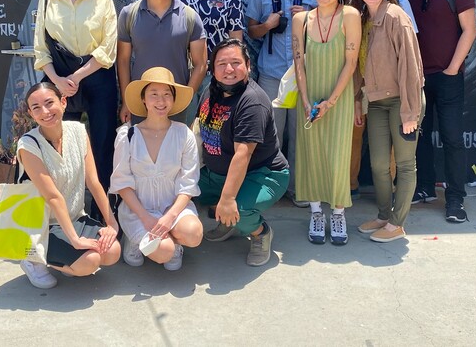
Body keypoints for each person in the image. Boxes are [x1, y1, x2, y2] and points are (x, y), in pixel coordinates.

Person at [33, 0, 119, 218]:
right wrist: (57, 80)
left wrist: (77, 76)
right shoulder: (48, 0)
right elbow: (40, 48)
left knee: (103, 145)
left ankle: (104, 215)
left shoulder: (104, 2)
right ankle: (64, 214)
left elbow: (108, 49)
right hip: (58, 80)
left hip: (96, 78)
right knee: (60, 147)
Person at [16, 82, 121, 289]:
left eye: (49, 103)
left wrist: (112, 224)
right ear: (31, 113)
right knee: (89, 263)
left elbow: (93, 182)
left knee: (113, 252)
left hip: (75, 217)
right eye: (36, 108)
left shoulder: (78, 131)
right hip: (43, 226)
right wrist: (75, 240)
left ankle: (68, 258)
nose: (45, 112)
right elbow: (52, 196)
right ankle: (32, 258)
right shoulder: (28, 145)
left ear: (63, 102)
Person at [197, 39, 289, 266]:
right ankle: (228, 220)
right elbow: (199, 126)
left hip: (263, 173)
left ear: (248, 65)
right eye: (222, 64)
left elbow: (242, 155)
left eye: (236, 63)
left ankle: (259, 232)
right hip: (217, 172)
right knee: (182, 189)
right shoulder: (211, 90)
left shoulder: (252, 102)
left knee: (241, 208)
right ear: (212, 68)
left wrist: (227, 200)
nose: (229, 70)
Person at [405, 0, 476, 223]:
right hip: (418, 78)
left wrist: (452, 69)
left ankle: (456, 199)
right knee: (419, 136)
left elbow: (469, 31)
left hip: (448, 77)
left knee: (451, 138)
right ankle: (424, 188)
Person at [352, 0, 424, 243]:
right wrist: (359, 102)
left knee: (405, 164)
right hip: (378, 102)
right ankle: (384, 215)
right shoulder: (362, 20)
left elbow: (411, 68)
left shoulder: (396, 16)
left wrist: (409, 112)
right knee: (379, 164)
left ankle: (397, 224)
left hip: (402, 101)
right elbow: (360, 68)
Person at [291, 0, 361, 245]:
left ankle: (339, 213)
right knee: (311, 154)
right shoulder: (302, 20)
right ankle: (316, 211)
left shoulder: (350, 16)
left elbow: (351, 62)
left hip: (339, 98)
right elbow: (299, 61)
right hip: (309, 97)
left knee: (337, 155)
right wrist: (307, 101)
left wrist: (330, 102)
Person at [246, 0, 316, 208]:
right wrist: (267, 25)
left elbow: (328, 30)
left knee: (301, 134)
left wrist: (309, 19)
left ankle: (298, 188)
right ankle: (270, 188)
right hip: (272, 74)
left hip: (304, 75)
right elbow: (251, 30)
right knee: (270, 133)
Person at [110, 67, 203, 271]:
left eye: (166, 94)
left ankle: (174, 240)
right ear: (143, 99)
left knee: (194, 234)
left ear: (173, 98)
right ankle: (135, 240)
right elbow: (122, 183)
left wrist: (170, 216)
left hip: (174, 207)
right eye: (154, 94)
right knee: (163, 253)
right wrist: (146, 217)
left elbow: (188, 183)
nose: (161, 101)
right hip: (139, 211)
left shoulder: (184, 135)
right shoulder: (128, 136)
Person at [116, 0, 208, 125]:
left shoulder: (190, 16)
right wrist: (127, 101)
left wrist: (184, 100)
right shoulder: (129, 14)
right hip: (141, 104)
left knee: (177, 152)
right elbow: (123, 60)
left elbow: (201, 64)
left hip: (177, 107)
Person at [174, 0, 245, 118]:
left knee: (212, 130)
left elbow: (236, 39)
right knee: (183, 127)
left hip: (215, 74)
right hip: (182, 71)